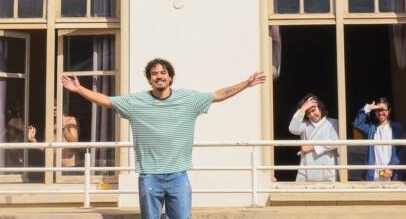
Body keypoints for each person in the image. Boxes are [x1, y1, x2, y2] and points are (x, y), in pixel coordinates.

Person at [61, 58, 265, 219]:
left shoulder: (189, 100)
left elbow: (218, 95)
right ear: (149, 79)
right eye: (154, 74)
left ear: (170, 78)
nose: (159, 77)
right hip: (149, 176)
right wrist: (79, 89)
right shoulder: (135, 102)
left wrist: (246, 84)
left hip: (178, 175)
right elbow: (106, 101)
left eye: (163, 73)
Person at [352, 97, 406, 181]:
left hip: (392, 174)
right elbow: (357, 124)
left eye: (383, 110)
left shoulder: (397, 127)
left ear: (389, 111)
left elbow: (404, 147)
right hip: (374, 175)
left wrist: (392, 167)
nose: (381, 113)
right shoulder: (372, 128)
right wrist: (369, 108)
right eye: (378, 110)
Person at [288, 93, 340, 182]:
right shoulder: (304, 125)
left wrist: (312, 147)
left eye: (313, 110)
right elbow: (292, 129)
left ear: (320, 107)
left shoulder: (333, 123)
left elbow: (334, 142)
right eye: (308, 113)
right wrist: (302, 109)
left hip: (327, 168)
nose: (311, 114)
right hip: (307, 168)